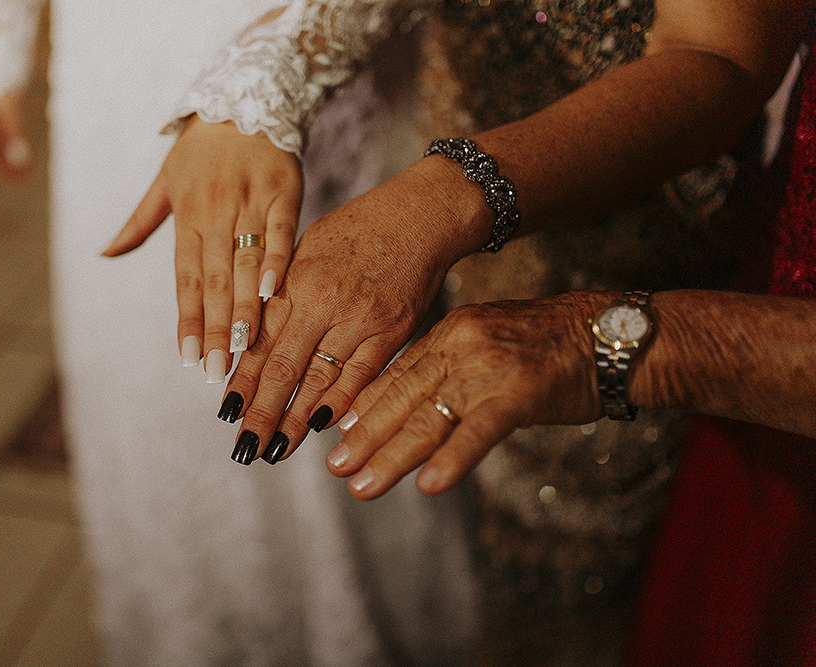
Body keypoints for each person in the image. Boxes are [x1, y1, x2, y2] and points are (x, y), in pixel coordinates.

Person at [108, 0, 807, 662]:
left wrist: (451, 194)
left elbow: (718, 54)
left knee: (580, 587)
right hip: (447, 228)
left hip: (633, 245)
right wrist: (264, 76)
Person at [0, 1, 480, 665]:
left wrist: (266, 81)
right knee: (150, 347)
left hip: (289, 28)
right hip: (113, 57)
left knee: (319, 329)